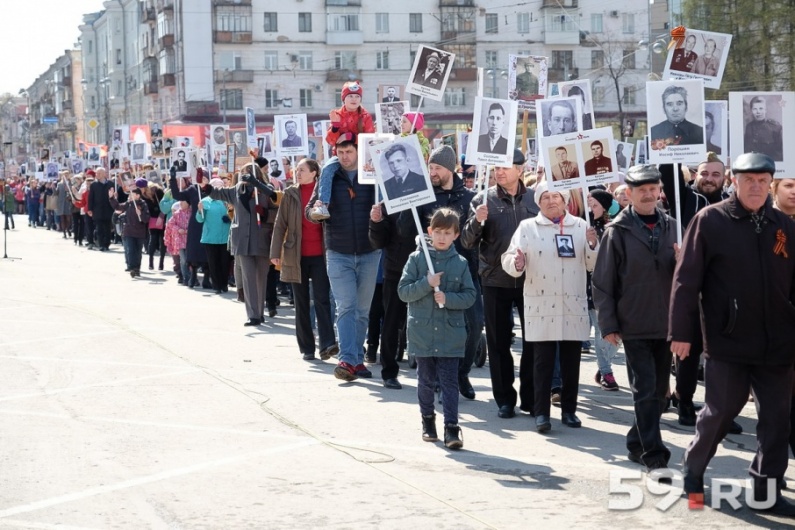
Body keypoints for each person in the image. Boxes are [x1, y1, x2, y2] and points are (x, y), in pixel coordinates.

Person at [670, 153, 795, 515]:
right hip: (729, 340)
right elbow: (685, 279)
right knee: (721, 411)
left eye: (762, 180)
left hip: (779, 343)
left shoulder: (783, 225)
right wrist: (681, 331)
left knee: (776, 421)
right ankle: (692, 471)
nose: (755, 186)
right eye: (747, 180)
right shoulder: (710, 220)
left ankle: (765, 491)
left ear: (770, 183)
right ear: (734, 182)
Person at [592, 165, 679, 478]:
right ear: (628, 193)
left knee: (658, 393)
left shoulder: (673, 227)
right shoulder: (618, 231)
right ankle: (654, 453)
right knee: (644, 389)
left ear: (660, 191)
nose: (648, 194)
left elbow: (685, 277)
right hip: (634, 323)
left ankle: (634, 441)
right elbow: (602, 283)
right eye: (641, 189)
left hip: (666, 322)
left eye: (653, 188)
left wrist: (684, 262)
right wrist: (609, 325)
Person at [502, 182, 598, 433]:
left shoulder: (580, 226)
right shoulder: (527, 227)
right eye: (545, 197)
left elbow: (591, 265)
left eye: (556, 196)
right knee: (542, 361)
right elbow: (508, 260)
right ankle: (541, 412)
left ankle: (569, 410)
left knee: (571, 361)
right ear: (538, 202)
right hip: (541, 300)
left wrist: (592, 245)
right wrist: (518, 263)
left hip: (571, 301)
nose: (551, 201)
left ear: (565, 200)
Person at [397, 145, 481, 399]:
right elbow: (404, 230)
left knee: (474, 325)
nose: (432, 172)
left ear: (451, 168)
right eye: (430, 167)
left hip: (463, 270)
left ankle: (461, 374)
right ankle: (436, 378)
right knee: (434, 326)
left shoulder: (469, 197)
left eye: (437, 168)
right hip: (431, 272)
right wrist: (406, 208)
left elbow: (474, 236)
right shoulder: (423, 195)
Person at [461, 149, 539, 418]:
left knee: (534, 342)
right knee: (498, 343)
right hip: (495, 280)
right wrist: (477, 220)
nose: (499, 172)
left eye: (506, 167)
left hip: (532, 281)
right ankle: (505, 399)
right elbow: (467, 241)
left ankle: (531, 398)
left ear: (521, 169)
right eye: (496, 167)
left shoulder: (536, 198)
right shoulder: (483, 199)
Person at [398, 207, 476, 449]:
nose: (441, 237)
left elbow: (470, 296)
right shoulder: (417, 259)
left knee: (450, 382)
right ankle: (428, 421)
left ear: (455, 235)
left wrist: (448, 299)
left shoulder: (460, 263)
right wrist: (426, 283)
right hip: (422, 332)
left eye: (447, 233)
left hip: (450, 334)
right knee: (425, 381)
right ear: (429, 232)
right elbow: (403, 292)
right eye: (438, 231)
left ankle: (452, 427)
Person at [306, 135, 381, 381]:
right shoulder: (328, 177)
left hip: (370, 252)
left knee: (362, 310)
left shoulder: (372, 175)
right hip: (338, 252)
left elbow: (389, 205)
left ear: (358, 152)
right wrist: (316, 212)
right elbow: (310, 211)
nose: (345, 156)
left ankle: (356, 359)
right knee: (346, 306)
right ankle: (347, 359)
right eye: (341, 152)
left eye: (349, 151)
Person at [271, 158, 337, 360]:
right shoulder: (290, 194)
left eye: (302, 170)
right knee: (300, 303)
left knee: (322, 300)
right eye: (296, 170)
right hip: (295, 255)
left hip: (320, 255)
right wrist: (274, 252)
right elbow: (280, 224)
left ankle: (327, 344)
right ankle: (307, 348)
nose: (297, 173)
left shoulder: (325, 192)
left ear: (314, 173)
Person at [202, 163, 279, 325]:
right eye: (244, 173)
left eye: (250, 173)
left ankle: (259, 310)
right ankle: (253, 315)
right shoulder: (237, 190)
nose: (246, 176)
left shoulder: (267, 189)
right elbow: (217, 193)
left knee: (260, 277)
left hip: (262, 239)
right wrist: (205, 185)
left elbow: (278, 212)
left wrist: (265, 214)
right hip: (242, 240)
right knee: (248, 277)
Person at [308, 81, 375, 221]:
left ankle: (381, 205)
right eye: (350, 96)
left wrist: (353, 139)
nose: (354, 99)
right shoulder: (337, 115)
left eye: (357, 96)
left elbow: (370, 138)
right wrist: (335, 128)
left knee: (378, 172)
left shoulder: (365, 116)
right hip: (339, 156)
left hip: (361, 156)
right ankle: (323, 204)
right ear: (343, 98)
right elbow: (330, 140)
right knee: (326, 169)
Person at [585, 190, 620, 390]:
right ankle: (606, 371)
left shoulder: (615, 227)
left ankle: (604, 364)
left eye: (595, 205)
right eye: (589, 205)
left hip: (616, 286)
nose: (590, 209)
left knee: (618, 334)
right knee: (601, 331)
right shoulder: (585, 227)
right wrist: (591, 243)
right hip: (593, 287)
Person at [196, 178, 232, 295]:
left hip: (225, 237)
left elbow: (234, 215)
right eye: (216, 186)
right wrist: (199, 210)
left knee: (225, 262)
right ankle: (216, 285)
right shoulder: (205, 201)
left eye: (221, 186)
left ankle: (224, 283)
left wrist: (230, 217)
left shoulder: (227, 201)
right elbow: (199, 219)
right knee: (213, 262)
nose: (219, 188)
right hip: (210, 238)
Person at [109, 185, 150, 278]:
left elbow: (146, 218)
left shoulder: (143, 204)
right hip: (129, 231)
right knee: (130, 250)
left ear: (138, 195)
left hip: (140, 232)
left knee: (138, 252)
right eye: (130, 194)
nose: (130, 196)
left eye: (132, 194)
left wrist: (141, 214)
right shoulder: (129, 204)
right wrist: (112, 198)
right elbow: (118, 207)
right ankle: (132, 268)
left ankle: (137, 268)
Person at [744, 96, 783, 161]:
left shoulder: (776, 127)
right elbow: (746, 151)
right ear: (751, 110)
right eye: (755, 109)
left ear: (765, 110)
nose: (758, 112)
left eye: (761, 108)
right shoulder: (749, 127)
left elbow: (779, 154)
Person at [87, 168, 114, 251]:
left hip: (108, 210)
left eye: (99, 173)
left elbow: (113, 197)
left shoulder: (110, 184)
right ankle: (101, 244)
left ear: (103, 174)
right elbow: (90, 198)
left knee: (107, 229)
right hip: (97, 210)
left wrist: (114, 196)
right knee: (99, 229)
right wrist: (90, 209)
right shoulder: (94, 185)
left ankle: (107, 244)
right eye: (96, 173)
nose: (97, 175)